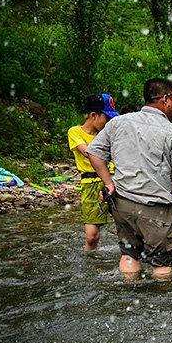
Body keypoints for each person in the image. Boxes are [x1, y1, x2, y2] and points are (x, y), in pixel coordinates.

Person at [87, 78, 172, 280]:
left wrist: (109, 182)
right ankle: (163, 303)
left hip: (122, 204)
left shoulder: (119, 122)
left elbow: (94, 153)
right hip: (155, 209)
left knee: (129, 254)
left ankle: (131, 298)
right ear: (166, 99)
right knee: (162, 263)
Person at [68, 93, 118, 251]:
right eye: (107, 118)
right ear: (93, 115)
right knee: (91, 236)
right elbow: (88, 152)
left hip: (114, 181)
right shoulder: (75, 132)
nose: (109, 122)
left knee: (129, 226)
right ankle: (91, 260)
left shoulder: (108, 133)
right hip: (90, 185)